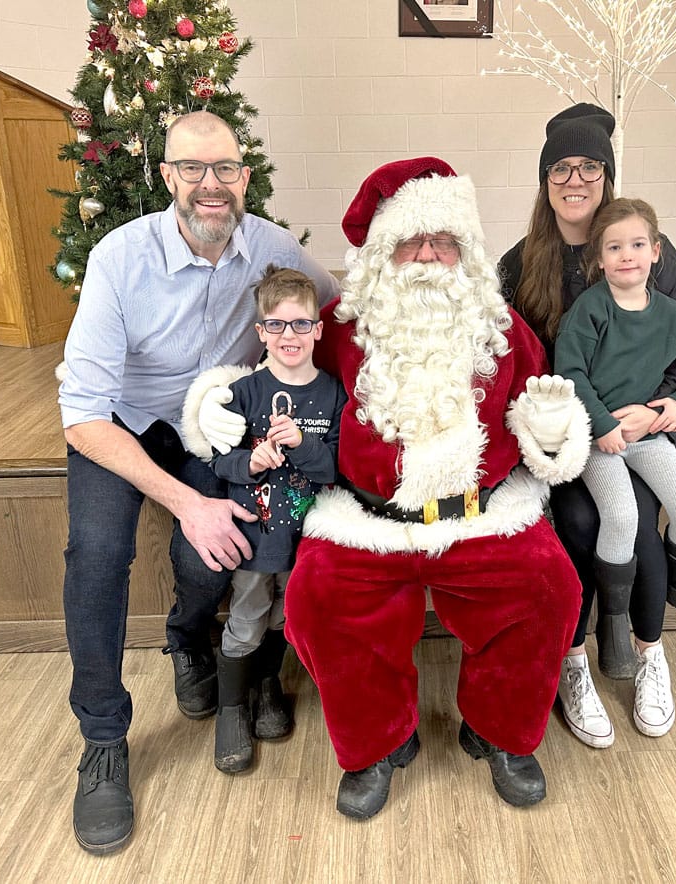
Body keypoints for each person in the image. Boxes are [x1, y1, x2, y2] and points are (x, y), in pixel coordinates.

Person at [187, 157, 592, 819]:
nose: (429, 255)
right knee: (317, 601)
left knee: (551, 588)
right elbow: (268, 382)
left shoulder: (503, 330)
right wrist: (217, 408)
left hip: (481, 519)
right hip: (366, 521)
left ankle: (499, 731)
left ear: (466, 252)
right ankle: (378, 740)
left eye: (445, 241)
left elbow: (539, 419)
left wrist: (549, 430)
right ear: (382, 251)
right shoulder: (336, 328)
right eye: (413, 240)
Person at [58, 110, 339, 855]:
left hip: (210, 426)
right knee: (96, 553)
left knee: (215, 551)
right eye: (193, 170)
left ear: (245, 176)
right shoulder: (121, 257)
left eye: (226, 170)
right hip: (122, 424)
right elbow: (80, 415)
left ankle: (188, 642)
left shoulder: (271, 245)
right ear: (167, 177)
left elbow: (336, 310)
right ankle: (103, 740)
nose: (210, 187)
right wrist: (185, 502)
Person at [498, 103, 676, 751]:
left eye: (589, 167)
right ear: (545, 181)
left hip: (649, 421)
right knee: (579, 522)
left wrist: (659, 409)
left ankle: (646, 651)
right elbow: (503, 353)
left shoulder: (643, 247)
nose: (575, 179)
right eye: (561, 169)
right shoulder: (521, 263)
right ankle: (574, 661)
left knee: (648, 522)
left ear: (607, 174)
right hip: (573, 432)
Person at [554, 197, 676, 737]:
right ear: (598, 259)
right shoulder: (592, 309)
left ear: (657, 252)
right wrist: (602, 424)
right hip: (599, 439)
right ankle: (617, 619)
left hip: (645, 431)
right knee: (621, 516)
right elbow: (570, 371)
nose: (627, 255)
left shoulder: (671, 314)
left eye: (637, 245)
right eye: (614, 247)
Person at [204, 266, 347, 774]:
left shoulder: (332, 394)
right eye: (278, 325)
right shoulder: (243, 394)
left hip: (305, 539)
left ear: (318, 329)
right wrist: (251, 463)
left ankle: (268, 689)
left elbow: (335, 465)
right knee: (245, 621)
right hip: (255, 539)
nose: (291, 336)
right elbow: (217, 460)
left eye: (301, 324)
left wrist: (302, 445)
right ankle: (232, 709)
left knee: (285, 620)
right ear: (261, 331)